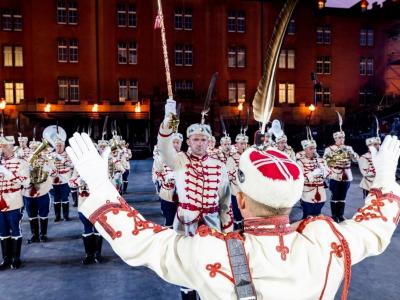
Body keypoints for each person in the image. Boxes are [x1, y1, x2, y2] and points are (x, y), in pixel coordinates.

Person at [67, 132, 400, 300]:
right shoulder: (328, 243)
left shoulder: (217, 254)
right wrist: (385, 180)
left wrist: (99, 183)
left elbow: (144, 242)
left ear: (240, 199)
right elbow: (375, 227)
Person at [0, 136, 30, 270]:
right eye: (1, 146)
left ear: (12, 147)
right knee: (3, 231)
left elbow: (26, 182)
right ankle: (6, 259)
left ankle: (16, 258)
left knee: (15, 229)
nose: (2, 149)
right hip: (0, 201)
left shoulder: (21, 162)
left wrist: (6, 172)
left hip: (13, 200)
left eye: (5, 146)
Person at [323, 130, 359, 222]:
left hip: (347, 175)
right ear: (335, 139)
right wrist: (328, 173)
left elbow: (355, 160)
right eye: (339, 138)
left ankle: (341, 215)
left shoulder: (348, 148)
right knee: (335, 195)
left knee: (343, 196)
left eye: (343, 137)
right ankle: (334, 215)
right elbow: (325, 162)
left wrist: (353, 154)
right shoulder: (329, 149)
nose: (342, 139)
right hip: (335, 175)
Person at [23, 140, 54, 242]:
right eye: (32, 149)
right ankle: (34, 235)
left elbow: (54, 172)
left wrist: (46, 167)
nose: (34, 150)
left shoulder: (47, 159)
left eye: (37, 148)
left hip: (42, 191)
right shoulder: (25, 160)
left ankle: (43, 234)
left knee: (43, 214)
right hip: (28, 193)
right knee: (31, 215)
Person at [152, 133, 182, 228]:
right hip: (168, 192)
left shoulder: (185, 157)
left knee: (181, 221)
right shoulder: (161, 157)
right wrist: (167, 176)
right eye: (173, 142)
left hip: (183, 194)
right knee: (169, 219)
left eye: (178, 142)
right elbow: (157, 172)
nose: (176, 144)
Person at [296, 138, 327, 218]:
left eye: (314, 148)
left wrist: (324, 171)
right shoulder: (300, 162)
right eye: (311, 148)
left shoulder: (320, 160)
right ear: (305, 150)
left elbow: (329, 173)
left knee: (317, 215)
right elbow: (300, 178)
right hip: (308, 193)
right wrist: (313, 173)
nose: (313, 150)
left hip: (321, 193)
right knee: (307, 216)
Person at [226, 133, 247, 229]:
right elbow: (228, 175)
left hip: (248, 191)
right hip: (236, 191)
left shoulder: (249, 157)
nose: (243, 145)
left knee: (247, 213)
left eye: (245, 143)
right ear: (236, 145)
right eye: (241, 143)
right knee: (237, 214)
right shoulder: (231, 158)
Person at [50, 136, 73, 222]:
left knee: (64, 198)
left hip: (64, 179)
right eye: (57, 146)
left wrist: (63, 160)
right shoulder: (51, 155)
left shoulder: (68, 155)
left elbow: (72, 165)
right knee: (56, 198)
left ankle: (66, 215)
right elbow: (47, 166)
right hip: (54, 179)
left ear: (63, 146)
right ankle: (57, 216)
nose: (58, 147)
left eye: (60, 145)